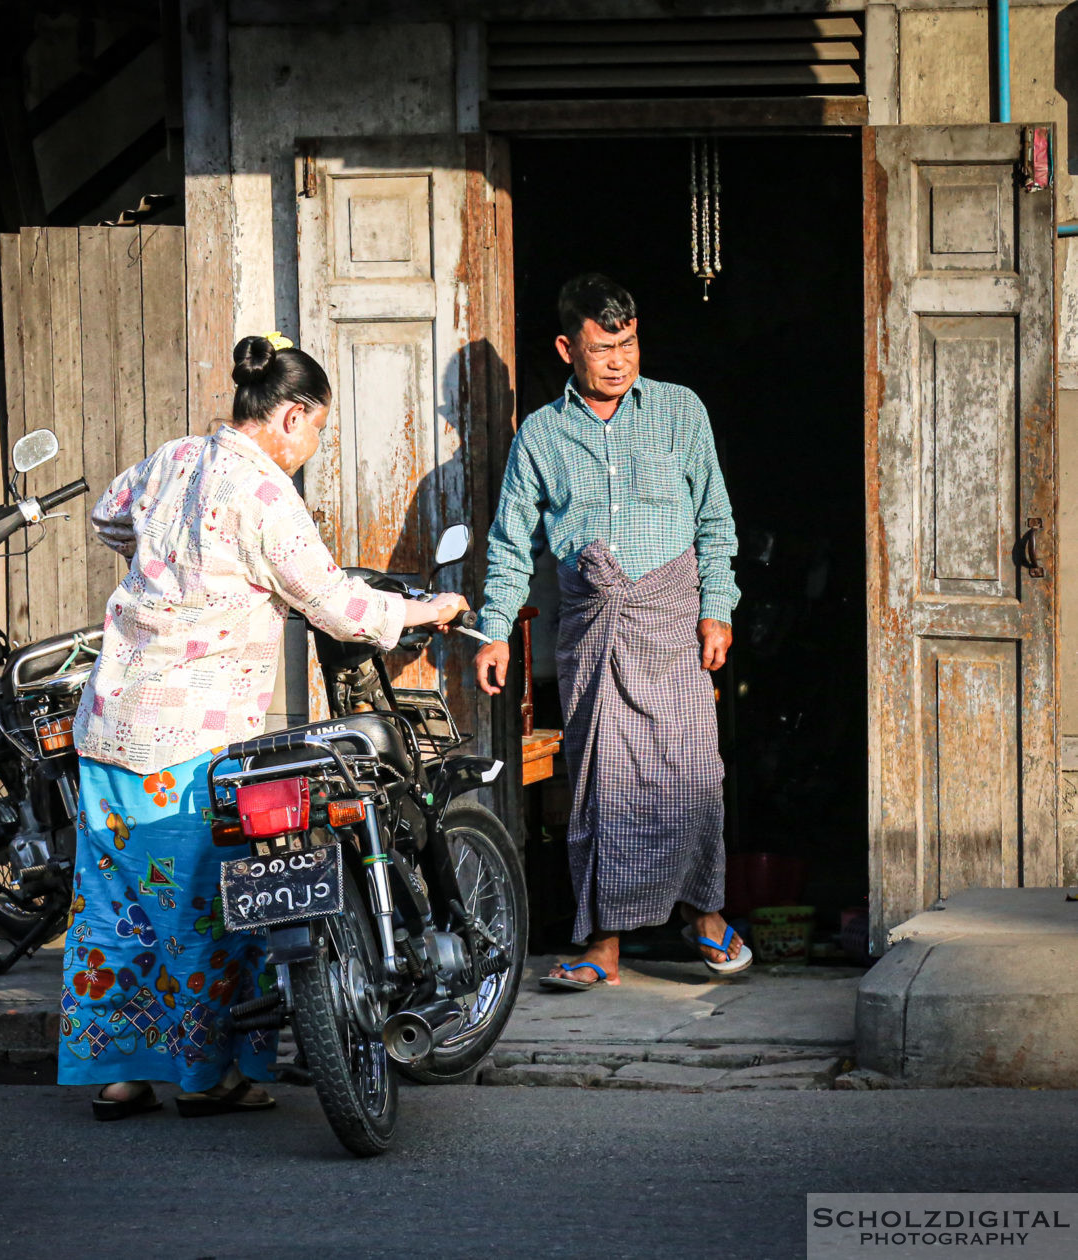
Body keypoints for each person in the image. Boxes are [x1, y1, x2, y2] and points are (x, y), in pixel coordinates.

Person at [60, 334, 468, 1119]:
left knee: (118, 909)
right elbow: (338, 606)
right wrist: (428, 608)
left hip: (112, 723)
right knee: (206, 910)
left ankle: (121, 1075)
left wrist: (167, 568)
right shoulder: (264, 495)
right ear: (291, 415)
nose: (312, 448)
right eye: (315, 431)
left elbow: (112, 519)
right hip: (195, 738)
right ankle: (210, 1077)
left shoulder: (173, 458)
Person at [474, 274, 750, 989]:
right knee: (603, 783)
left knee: (694, 772)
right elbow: (510, 543)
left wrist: (717, 606)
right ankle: (604, 942)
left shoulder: (680, 412)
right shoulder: (541, 433)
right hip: (594, 626)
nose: (619, 360)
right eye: (603, 348)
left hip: (674, 622)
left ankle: (706, 914)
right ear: (569, 348)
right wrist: (496, 628)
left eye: (627, 343)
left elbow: (715, 519)